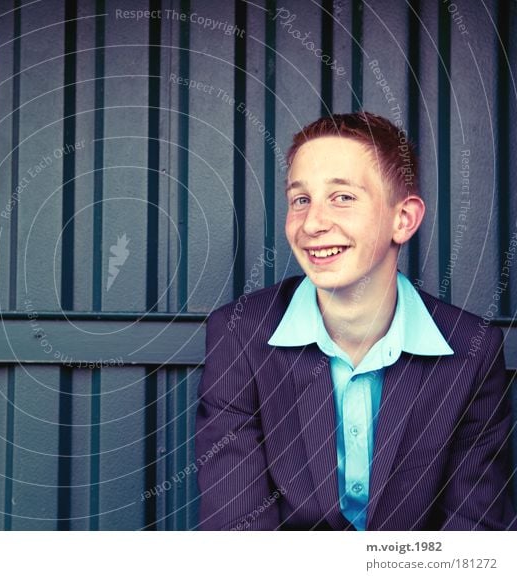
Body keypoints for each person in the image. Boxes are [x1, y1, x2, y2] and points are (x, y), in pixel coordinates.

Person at [195, 111, 516, 530]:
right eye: (300, 199)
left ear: (403, 219)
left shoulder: (472, 350)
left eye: (342, 197)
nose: (313, 223)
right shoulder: (239, 334)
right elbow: (236, 531)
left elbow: (473, 534)